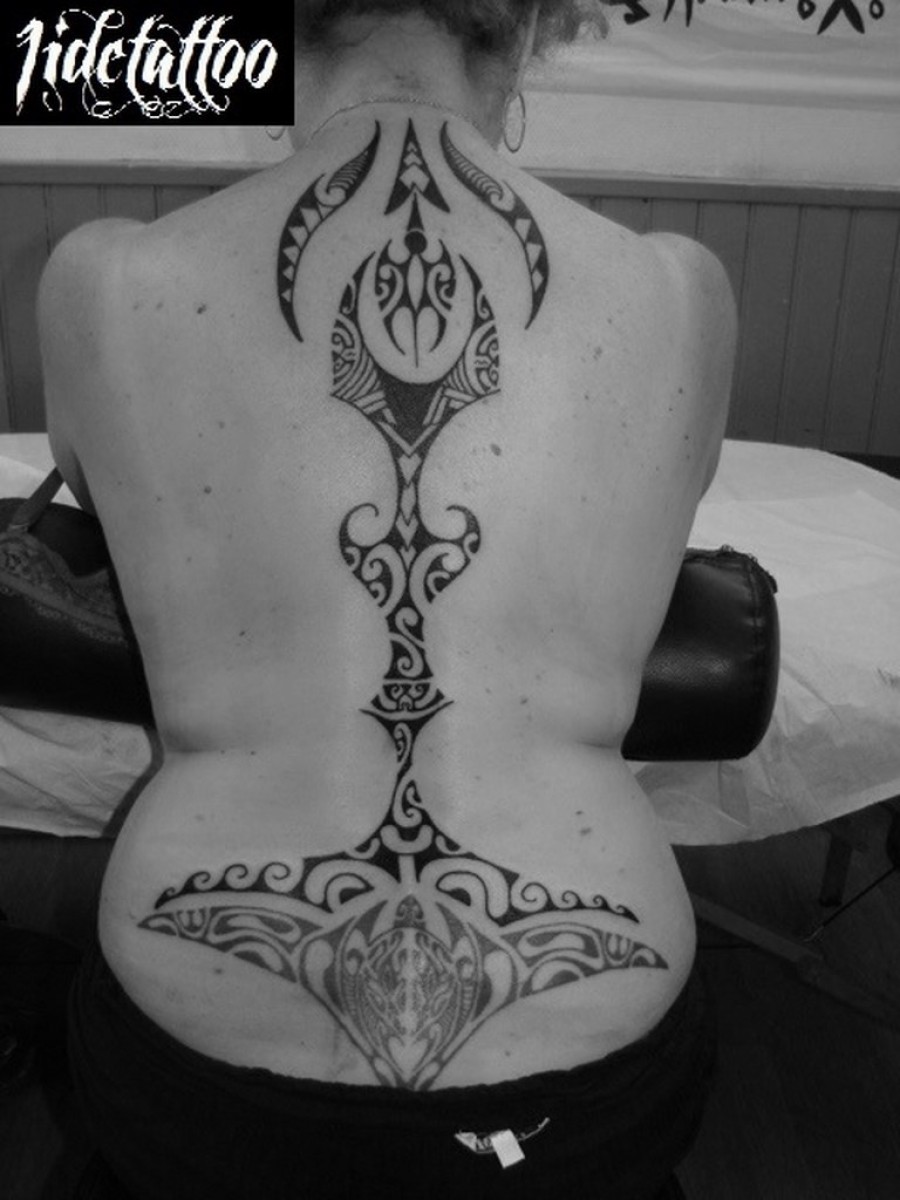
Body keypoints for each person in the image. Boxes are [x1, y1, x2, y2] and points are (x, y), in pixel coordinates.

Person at [39, 2, 736, 1196]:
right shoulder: (681, 293)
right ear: (529, 28)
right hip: (583, 1066)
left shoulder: (103, 278)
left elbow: (118, 520)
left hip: (202, 1068)